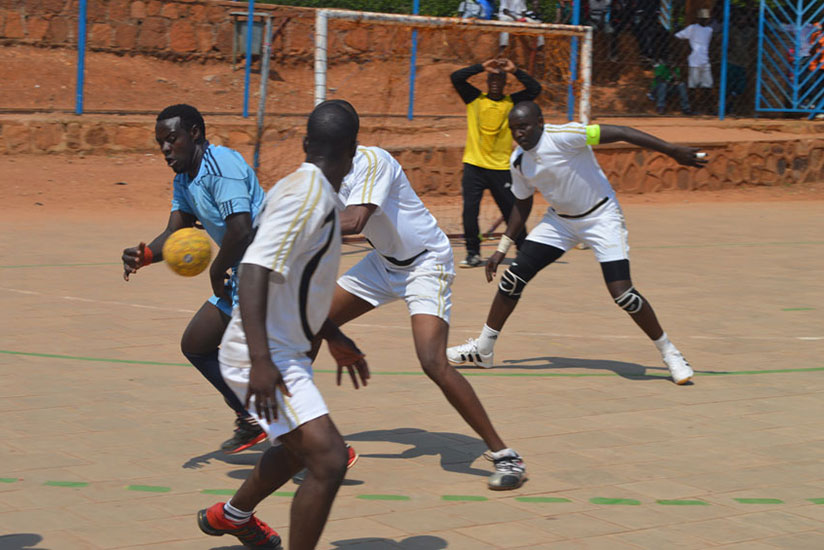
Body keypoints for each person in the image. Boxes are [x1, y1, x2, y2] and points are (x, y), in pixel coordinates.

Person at [316, 100, 527, 491]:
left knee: (432, 360)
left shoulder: (371, 161)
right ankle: (306, 440)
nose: (317, 158)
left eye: (326, 150)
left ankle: (505, 455)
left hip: (425, 263)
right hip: (383, 263)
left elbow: (355, 220)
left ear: (348, 146)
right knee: (310, 326)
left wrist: (290, 224)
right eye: (312, 148)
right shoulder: (317, 173)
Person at [197, 100, 369, 550]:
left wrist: (334, 335)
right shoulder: (307, 197)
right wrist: (260, 361)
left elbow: (293, 280)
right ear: (353, 152)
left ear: (305, 143)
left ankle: (232, 516)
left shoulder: (310, 194)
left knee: (298, 449)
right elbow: (254, 269)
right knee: (329, 460)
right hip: (265, 355)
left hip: (280, 350)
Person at [447, 101, 706, 385]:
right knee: (512, 279)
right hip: (560, 223)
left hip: (601, 216)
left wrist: (672, 151)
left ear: (540, 122)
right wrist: (502, 248)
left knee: (623, 294)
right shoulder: (519, 160)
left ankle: (669, 352)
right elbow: (522, 203)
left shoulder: (565, 136)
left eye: (524, 126)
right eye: (513, 129)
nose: (519, 133)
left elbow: (621, 132)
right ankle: (484, 349)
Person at [121, 104, 269, 454]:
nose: (165, 149)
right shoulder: (184, 178)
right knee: (197, 344)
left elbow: (240, 229)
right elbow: (176, 230)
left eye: (172, 139)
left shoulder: (222, 167)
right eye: (160, 143)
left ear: (195, 134)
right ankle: (250, 417)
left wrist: (218, 271)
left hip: (269, 271)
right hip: (241, 270)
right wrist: (144, 256)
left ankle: (322, 446)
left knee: (269, 364)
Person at [451, 58, 541, 268]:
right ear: (487, 79)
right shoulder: (474, 98)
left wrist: (515, 69)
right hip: (474, 165)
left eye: (500, 78)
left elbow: (535, 88)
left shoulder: (512, 103)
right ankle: (473, 253)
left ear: (505, 83)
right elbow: (456, 78)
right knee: (469, 211)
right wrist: (481, 66)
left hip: (500, 167)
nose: (495, 82)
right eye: (491, 77)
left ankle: (523, 250)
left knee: (510, 209)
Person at [675, 8, 714, 114]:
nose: (704, 20)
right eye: (702, 19)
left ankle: (709, 109)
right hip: (694, 60)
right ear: (698, 19)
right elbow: (678, 36)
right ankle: (691, 109)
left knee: (708, 85)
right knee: (692, 86)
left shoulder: (709, 30)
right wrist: (686, 49)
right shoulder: (692, 28)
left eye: (705, 19)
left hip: (705, 60)